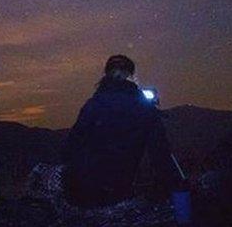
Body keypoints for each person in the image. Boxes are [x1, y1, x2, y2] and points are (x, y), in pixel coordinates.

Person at [61, 55, 181, 208]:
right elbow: (160, 150)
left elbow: (73, 142)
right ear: (130, 75)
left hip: (87, 183)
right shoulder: (143, 107)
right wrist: (173, 183)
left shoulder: (93, 104)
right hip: (122, 182)